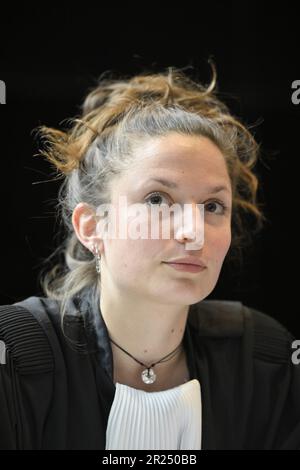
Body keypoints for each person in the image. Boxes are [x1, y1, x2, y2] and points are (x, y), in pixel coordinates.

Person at [0, 65, 300, 450]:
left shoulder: (266, 362)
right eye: (157, 199)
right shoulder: (16, 358)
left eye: (213, 206)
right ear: (92, 226)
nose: (193, 231)